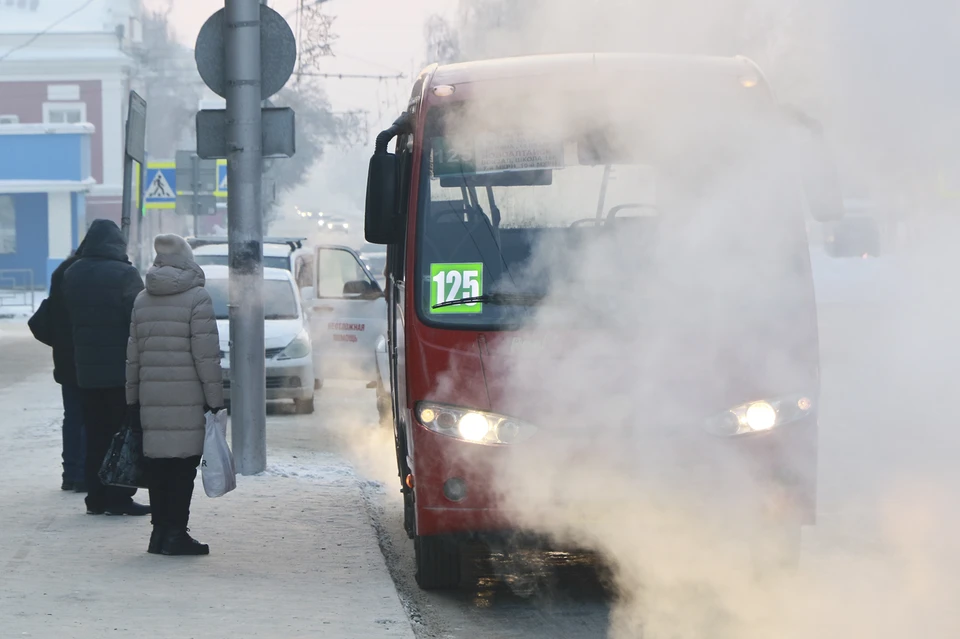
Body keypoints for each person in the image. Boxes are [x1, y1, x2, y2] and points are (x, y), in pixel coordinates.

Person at [126, 234, 224, 556]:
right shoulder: (197, 298)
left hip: (151, 401)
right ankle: (176, 535)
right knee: (183, 470)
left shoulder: (142, 299)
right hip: (187, 401)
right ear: (187, 258)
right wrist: (215, 401)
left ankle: (159, 536)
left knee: (157, 468)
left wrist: (132, 400)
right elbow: (206, 358)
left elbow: (133, 357)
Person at [63, 219, 150, 517]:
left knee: (96, 434)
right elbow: (139, 318)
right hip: (119, 373)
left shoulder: (72, 273)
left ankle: (95, 498)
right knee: (122, 435)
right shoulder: (125, 275)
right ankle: (119, 496)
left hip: (85, 372)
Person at [28, 240, 88, 492]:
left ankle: (71, 473)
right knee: (94, 417)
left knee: (73, 417)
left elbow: (46, 319)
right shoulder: (91, 272)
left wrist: (61, 344)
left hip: (66, 360)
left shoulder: (61, 271)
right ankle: (87, 474)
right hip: (95, 361)